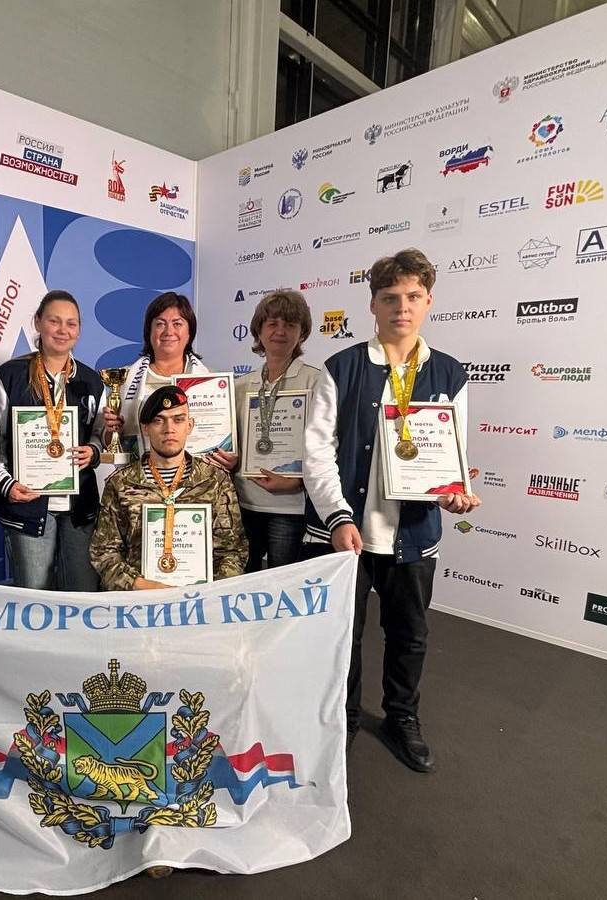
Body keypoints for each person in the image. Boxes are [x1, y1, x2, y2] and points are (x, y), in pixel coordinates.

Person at [302, 248, 481, 773]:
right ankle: (344, 718)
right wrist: (338, 517)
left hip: (413, 533)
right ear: (373, 305)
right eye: (390, 298)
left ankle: (403, 716)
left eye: (412, 297)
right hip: (348, 532)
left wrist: (453, 492)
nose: (401, 307)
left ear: (428, 302)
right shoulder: (342, 367)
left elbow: (452, 453)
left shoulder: (449, 373)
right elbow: (317, 454)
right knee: (344, 636)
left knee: (410, 635)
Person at [0, 290, 105, 591]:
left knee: (82, 595)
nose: (63, 330)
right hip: (27, 505)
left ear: (79, 330)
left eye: (71, 323)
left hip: (79, 508)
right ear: (38, 322)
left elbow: (100, 434)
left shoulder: (91, 381)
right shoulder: (10, 376)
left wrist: (93, 451)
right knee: (35, 598)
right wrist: (5, 483)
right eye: (54, 321)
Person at [90, 384, 247, 591]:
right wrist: (142, 586)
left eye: (178, 419)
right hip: (139, 600)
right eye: (159, 420)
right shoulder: (121, 483)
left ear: (189, 425)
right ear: (145, 428)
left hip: (201, 600)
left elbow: (233, 551)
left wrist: (207, 593)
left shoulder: (215, 481)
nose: (169, 429)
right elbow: (104, 552)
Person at [204, 290, 319, 572]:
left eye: (290, 325)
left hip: (290, 507)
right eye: (272, 323)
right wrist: (231, 460)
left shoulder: (316, 382)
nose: (280, 331)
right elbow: (231, 443)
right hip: (243, 503)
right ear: (258, 330)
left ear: (302, 333)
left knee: (282, 584)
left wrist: (299, 481)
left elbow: (328, 446)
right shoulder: (240, 386)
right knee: (243, 580)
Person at [102, 292, 208, 458]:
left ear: (190, 332)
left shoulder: (210, 381)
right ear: (149, 332)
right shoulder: (125, 380)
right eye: (160, 324)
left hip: (194, 472)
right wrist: (113, 430)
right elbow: (108, 443)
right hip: (138, 472)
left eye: (177, 324)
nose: (169, 331)